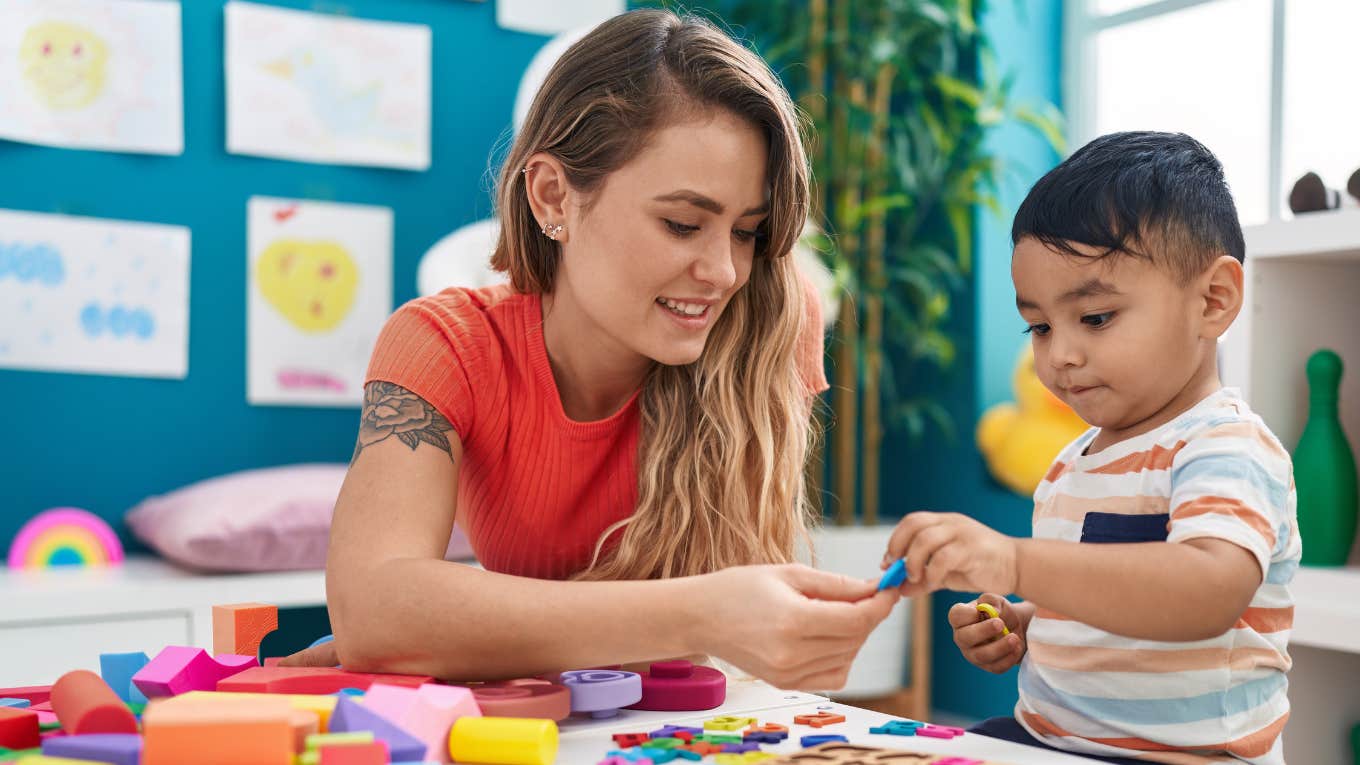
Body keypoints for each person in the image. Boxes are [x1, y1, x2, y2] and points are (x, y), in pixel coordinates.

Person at [281, 9, 897, 691]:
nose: (724, 271)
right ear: (553, 198)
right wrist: (704, 612)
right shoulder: (446, 345)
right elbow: (376, 612)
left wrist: (452, 630)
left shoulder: (773, 322)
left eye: (748, 231)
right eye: (682, 223)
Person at [883, 132, 1298, 764]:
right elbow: (1105, 594)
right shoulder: (1073, 462)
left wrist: (1014, 563)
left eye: (1096, 318)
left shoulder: (1226, 446)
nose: (1061, 354)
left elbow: (1207, 590)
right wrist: (1028, 621)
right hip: (1052, 739)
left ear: (1213, 301)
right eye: (1040, 327)